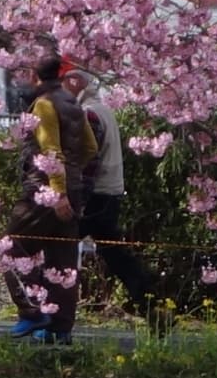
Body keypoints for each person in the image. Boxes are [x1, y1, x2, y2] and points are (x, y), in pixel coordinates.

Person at [4, 54, 96, 343]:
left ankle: (31, 311)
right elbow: (90, 147)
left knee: (10, 247)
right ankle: (61, 329)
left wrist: (57, 191)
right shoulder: (72, 102)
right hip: (75, 190)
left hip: (43, 193)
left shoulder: (43, 105)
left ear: (34, 74)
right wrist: (72, 177)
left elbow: (50, 150)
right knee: (63, 261)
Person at [62, 62, 156, 318]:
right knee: (114, 253)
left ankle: (56, 310)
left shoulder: (89, 113)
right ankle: (148, 299)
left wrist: (77, 198)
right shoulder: (103, 109)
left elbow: (89, 161)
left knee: (60, 247)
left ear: (75, 82)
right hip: (109, 193)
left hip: (96, 195)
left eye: (63, 82)